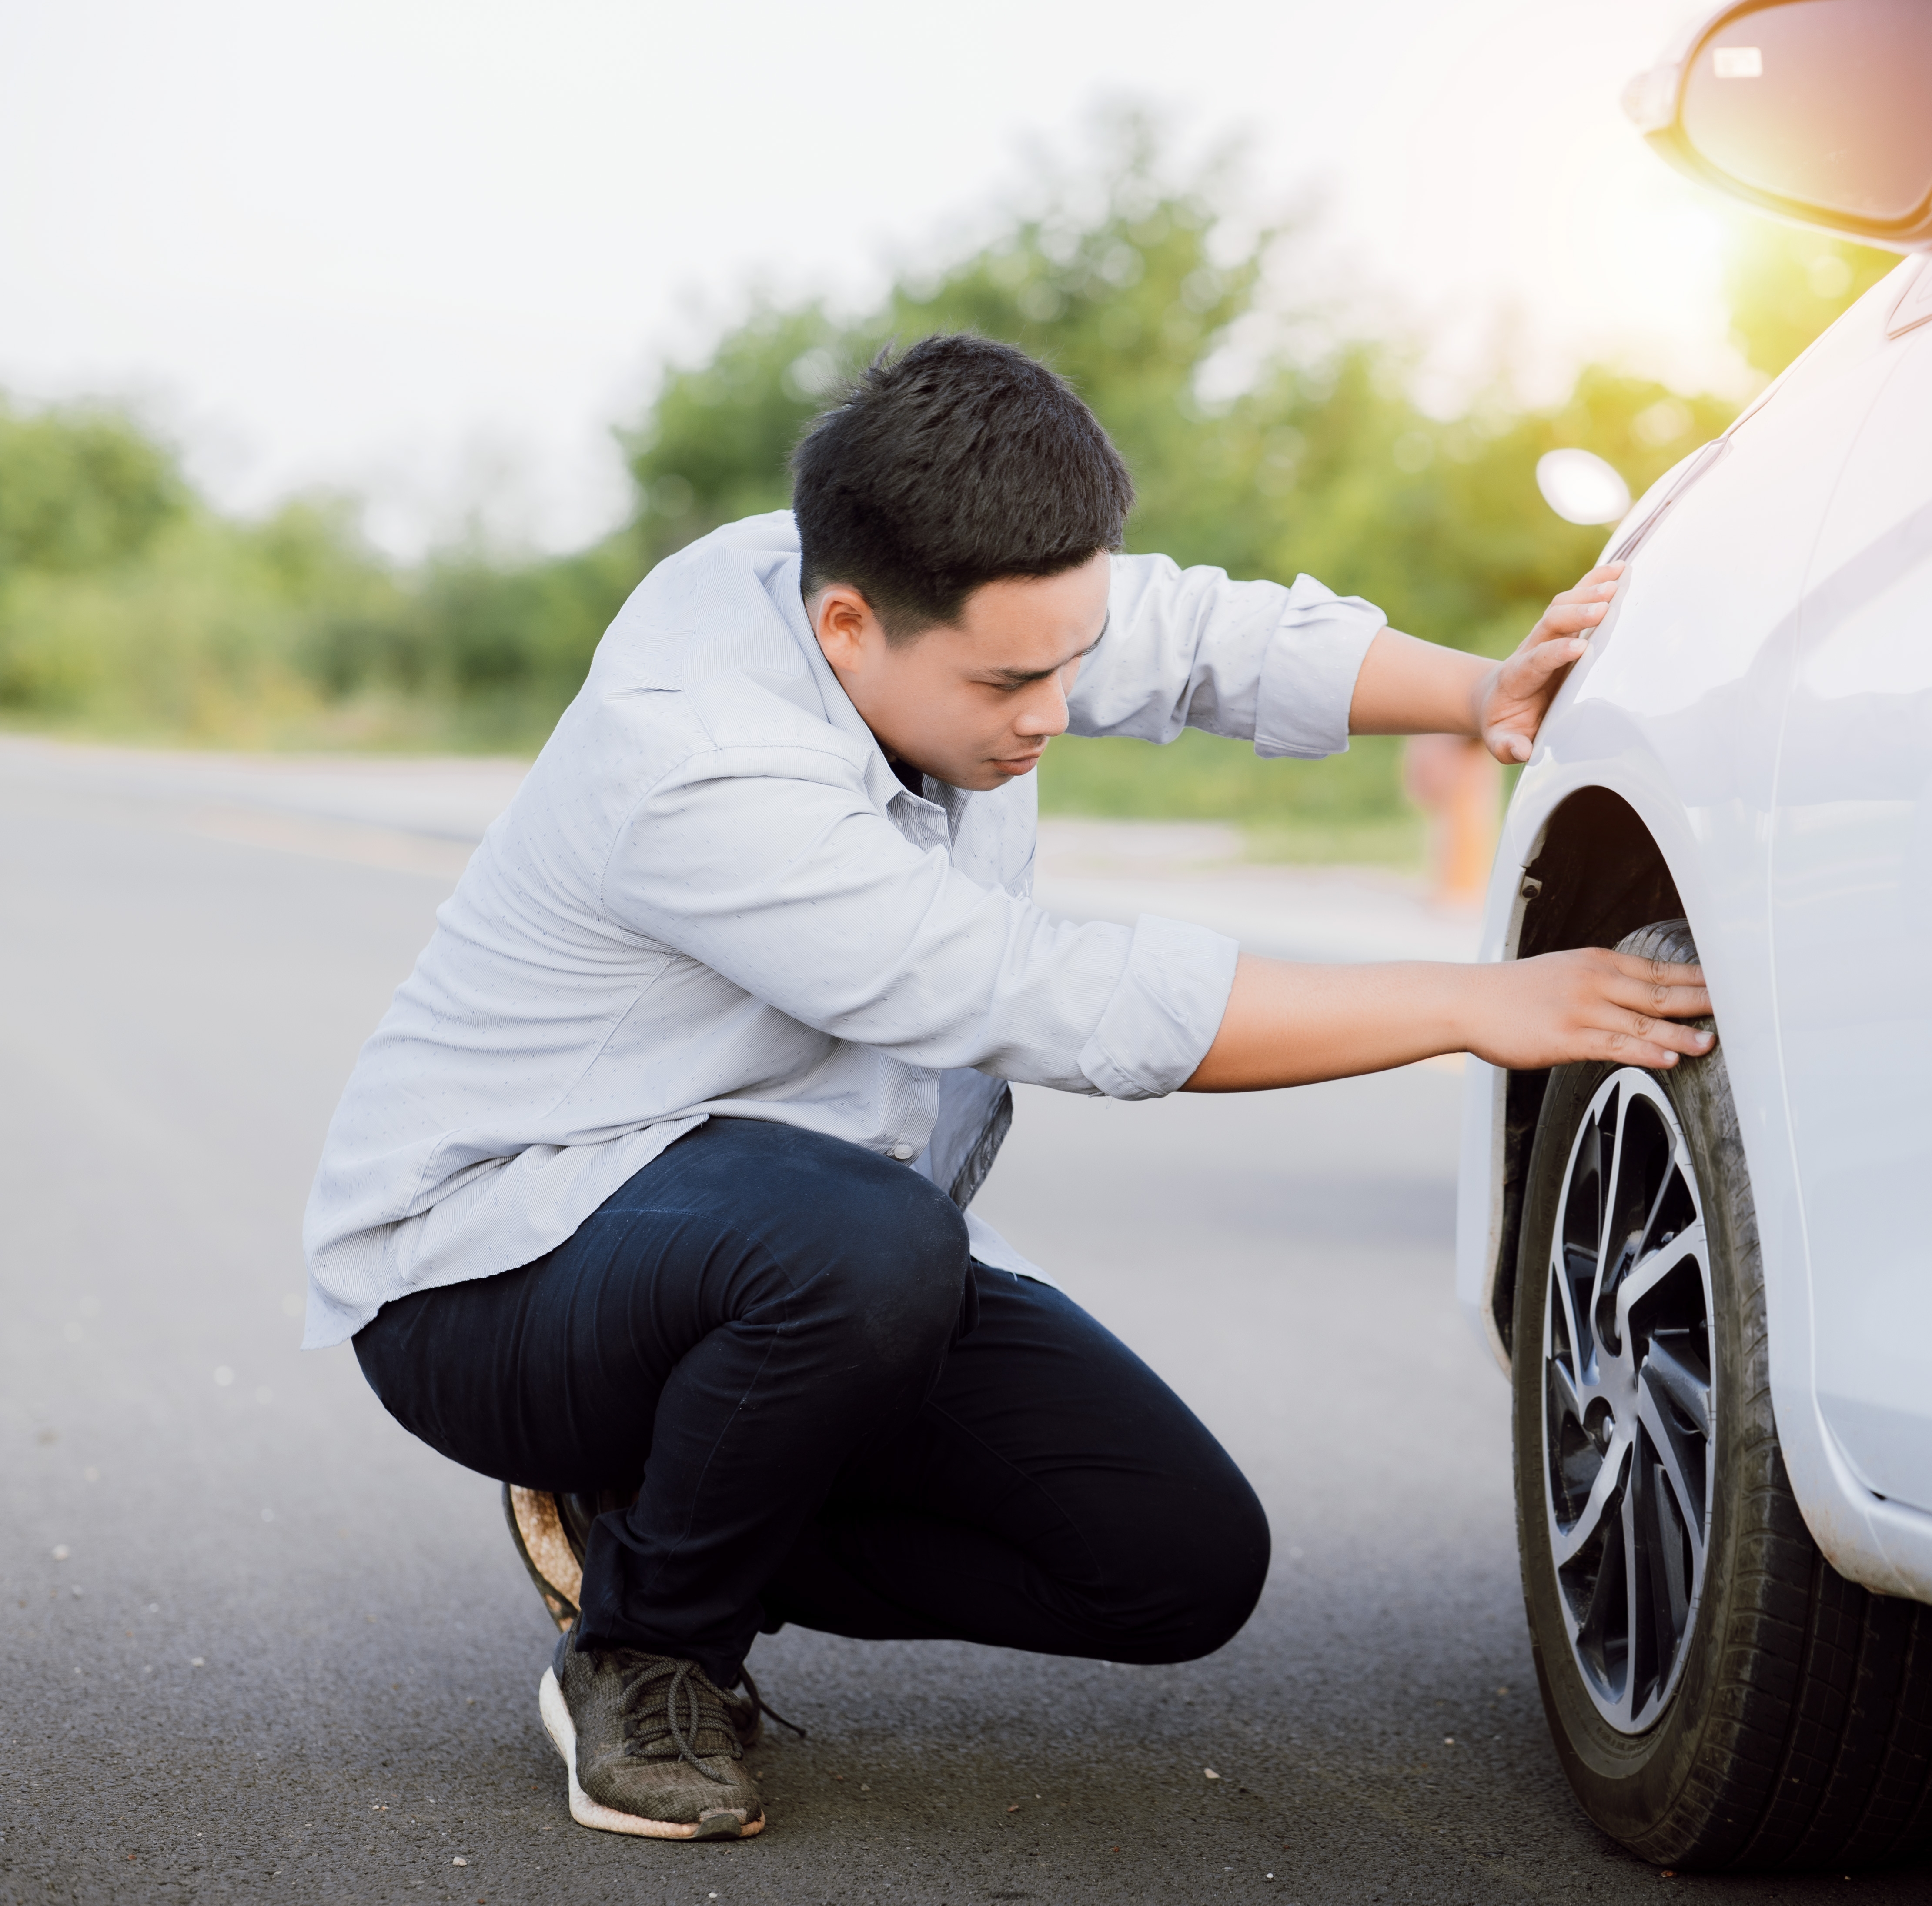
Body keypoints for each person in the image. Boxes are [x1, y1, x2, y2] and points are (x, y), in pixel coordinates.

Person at [301, 332, 1713, 1842]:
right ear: (847, 627)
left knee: (1175, 1562)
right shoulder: (704, 764)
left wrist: (1482, 688)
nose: (1051, 716)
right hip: (500, 1274)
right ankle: (652, 1649)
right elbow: (1036, 993)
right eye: (1009, 681)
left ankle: (639, 1513)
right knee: (861, 1247)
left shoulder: (910, 582)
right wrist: (1469, 1005)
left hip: (802, 1243)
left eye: (1071, 662)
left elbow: (1189, 632)